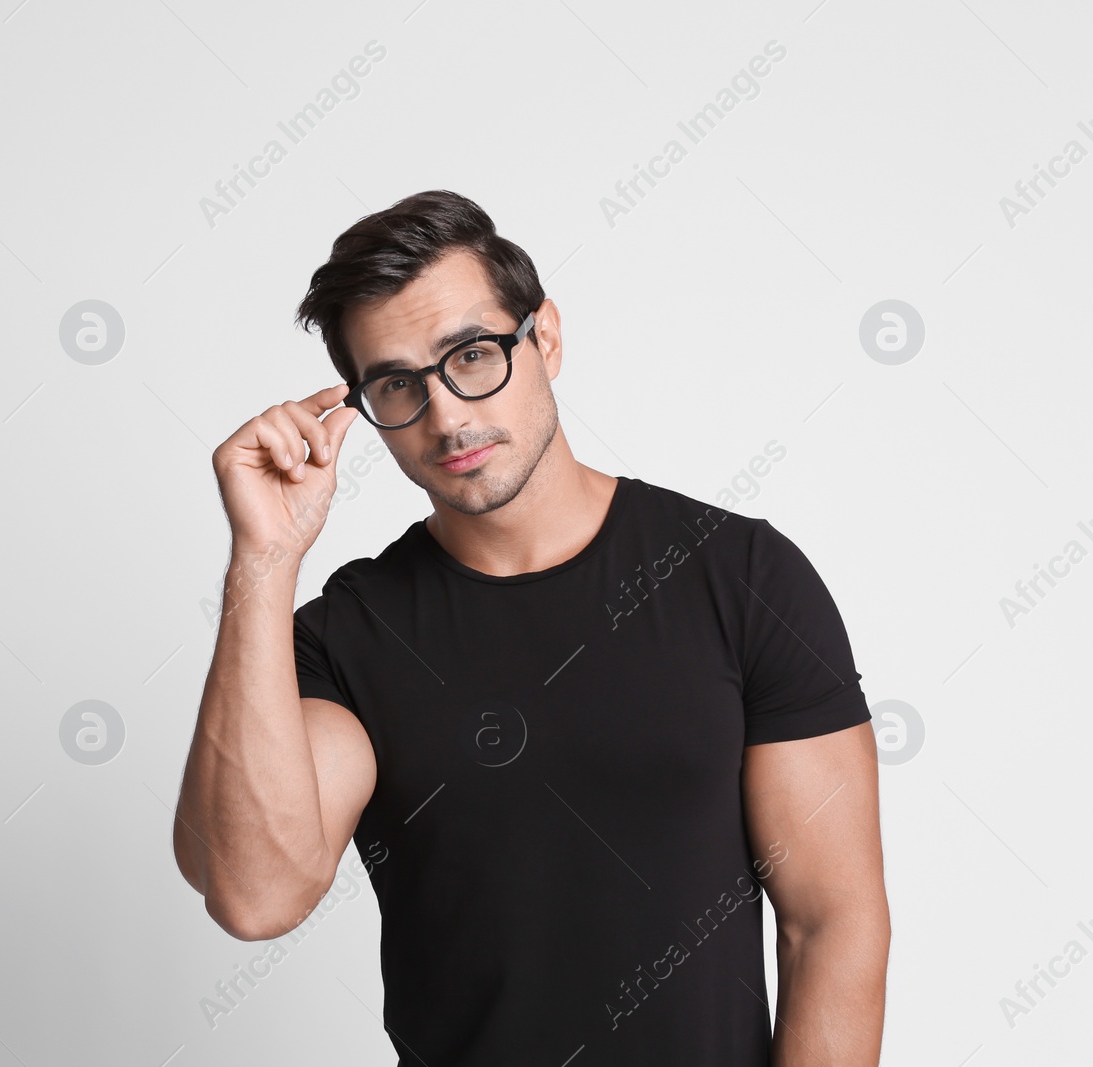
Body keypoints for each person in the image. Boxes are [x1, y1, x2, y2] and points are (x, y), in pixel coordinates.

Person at [173, 189, 890, 1065]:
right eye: (396, 382)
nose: (445, 415)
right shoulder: (347, 637)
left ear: (544, 337)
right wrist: (263, 559)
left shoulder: (738, 575)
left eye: (472, 355)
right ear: (359, 406)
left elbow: (833, 920)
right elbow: (255, 896)